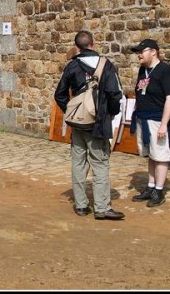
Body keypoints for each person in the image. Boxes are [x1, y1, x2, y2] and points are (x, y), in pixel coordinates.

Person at [54, 30, 125, 220]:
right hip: (98, 123)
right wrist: (111, 113)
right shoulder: (106, 65)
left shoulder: (72, 66)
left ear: (77, 47)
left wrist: (71, 111)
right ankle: (101, 208)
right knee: (100, 164)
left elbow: (59, 94)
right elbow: (115, 94)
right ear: (93, 44)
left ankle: (81, 205)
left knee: (78, 163)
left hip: (78, 124)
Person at [129, 39, 170, 207]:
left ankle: (159, 191)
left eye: (141, 51)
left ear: (153, 51)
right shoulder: (143, 70)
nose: (139, 54)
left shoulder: (164, 70)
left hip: (157, 119)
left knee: (160, 156)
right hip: (143, 118)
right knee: (151, 155)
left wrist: (163, 124)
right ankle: (151, 186)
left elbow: (169, 99)